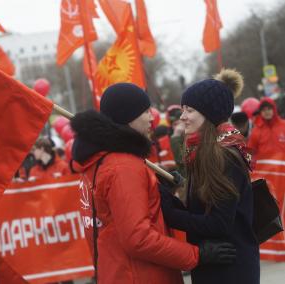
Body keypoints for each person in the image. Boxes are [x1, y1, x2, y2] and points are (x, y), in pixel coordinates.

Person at [70, 82, 236, 284]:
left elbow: (116, 218)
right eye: (145, 111)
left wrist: (158, 193)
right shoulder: (123, 167)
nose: (152, 117)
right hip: (141, 275)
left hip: (117, 270)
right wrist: (197, 254)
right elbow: (138, 239)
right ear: (127, 116)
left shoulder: (98, 161)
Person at [159, 69, 260, 284]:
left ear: (210, 114)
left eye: (190, 110)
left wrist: (169, 213)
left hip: (231, 270)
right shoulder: (203, 151)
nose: (182, 116)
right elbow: (202, 210)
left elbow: (218, 223)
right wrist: (169, 195)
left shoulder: (223, 155)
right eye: (183, 109)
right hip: (214, 266)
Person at [248, 97, 285, 261]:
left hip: (283, 179)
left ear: (274, 109)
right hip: (267, 182)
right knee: (271, 211)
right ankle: (272, 250)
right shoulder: (257, 131)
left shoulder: (283, 126)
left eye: (269, 108)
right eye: (264, 109)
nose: (267, 111)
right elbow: (250, 156)